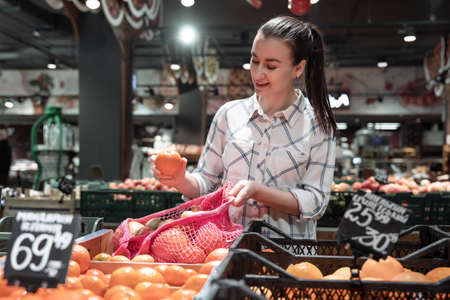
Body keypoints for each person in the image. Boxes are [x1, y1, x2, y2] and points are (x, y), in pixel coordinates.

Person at [153, 16, 337, 239]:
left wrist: (260, 192)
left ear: (298, 68)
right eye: (254, 60)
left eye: (271, 66)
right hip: (224, 250)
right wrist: (182, 181)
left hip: (287, 255)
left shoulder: (318, 125)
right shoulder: (229, 114)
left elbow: (316, 202)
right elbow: (206, 182)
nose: (258, 73)